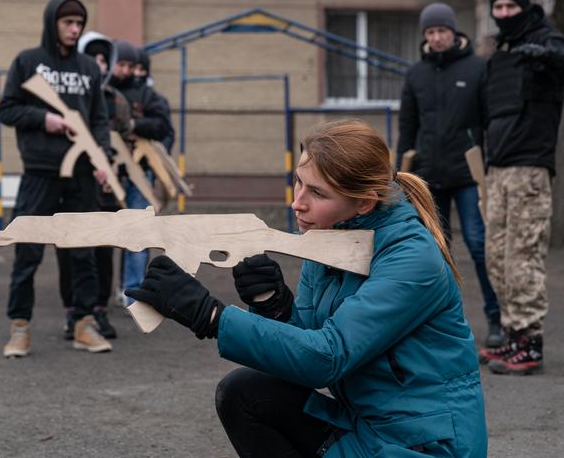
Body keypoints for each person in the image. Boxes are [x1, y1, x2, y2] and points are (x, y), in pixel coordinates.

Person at [127, 119, 487, 457]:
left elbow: (327, 358)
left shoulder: (413, 257)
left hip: (424, 445)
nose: (297, 201)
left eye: (316, 191)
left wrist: (211, 316)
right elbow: (307, 345)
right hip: (369, 429)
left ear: (364, 201)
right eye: (299, 181)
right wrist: (274, 306)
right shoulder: (331, 237)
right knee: (245, 393)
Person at [0, 0, 112, 357]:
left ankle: (84, 324)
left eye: (79, 23)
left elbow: (99, 120)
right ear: (53, 23)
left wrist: (103, 161)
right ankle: (19, 327)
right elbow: (8, 109)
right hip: (40, 173)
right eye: (68, 23)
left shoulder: (89, 69)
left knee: (83, 253)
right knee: (27, 252)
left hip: (81, 175)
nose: (74, 29)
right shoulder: (28, 62)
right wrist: (44, 119)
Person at [397, 2, 502, 348]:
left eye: (442, 30)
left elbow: (490, 121)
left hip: (468, 174)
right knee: (436, 251)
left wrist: (491, 162)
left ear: (454, 32)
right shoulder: (416, 74)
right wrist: (401, 172)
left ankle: (496, 319)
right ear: (424, 36)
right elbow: (408, 126)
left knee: (478, 243)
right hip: (428, 177)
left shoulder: (477, 68)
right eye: (430, 32)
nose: (437, 37)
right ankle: (440, 323)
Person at [478, 0, 564, 375]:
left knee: (522, 259)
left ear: (524, 7)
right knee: (496, 257)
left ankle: (530, 344)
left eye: (511, 7)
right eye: (499, 8)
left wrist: (546, 55)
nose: (505, 14)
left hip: (530, 168)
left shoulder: (546, 41)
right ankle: (512, 336)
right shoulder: (501, 52)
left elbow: (560, 56)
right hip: (497, 168)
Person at [57, 31, 130, 340]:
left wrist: (109, 155)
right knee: (69, 249)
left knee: (102, 251)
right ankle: (73, 311)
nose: (99, 64)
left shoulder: (115, 99)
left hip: (106, 188)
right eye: (93, 57)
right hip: (71, 186)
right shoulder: (66, 96)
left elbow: (124, 136)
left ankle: (98, 309)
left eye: (103, 59)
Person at [108, 40, 172, 302]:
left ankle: (132, 292)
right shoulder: (102, 92)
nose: (127, 71)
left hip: (138, 174)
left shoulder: (147, 96)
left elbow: (162, 126)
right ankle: (99, 296)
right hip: (105, 174)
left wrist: (133, 124)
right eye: (121, 64)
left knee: (137, 233)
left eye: (131, 66)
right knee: (102, 235)